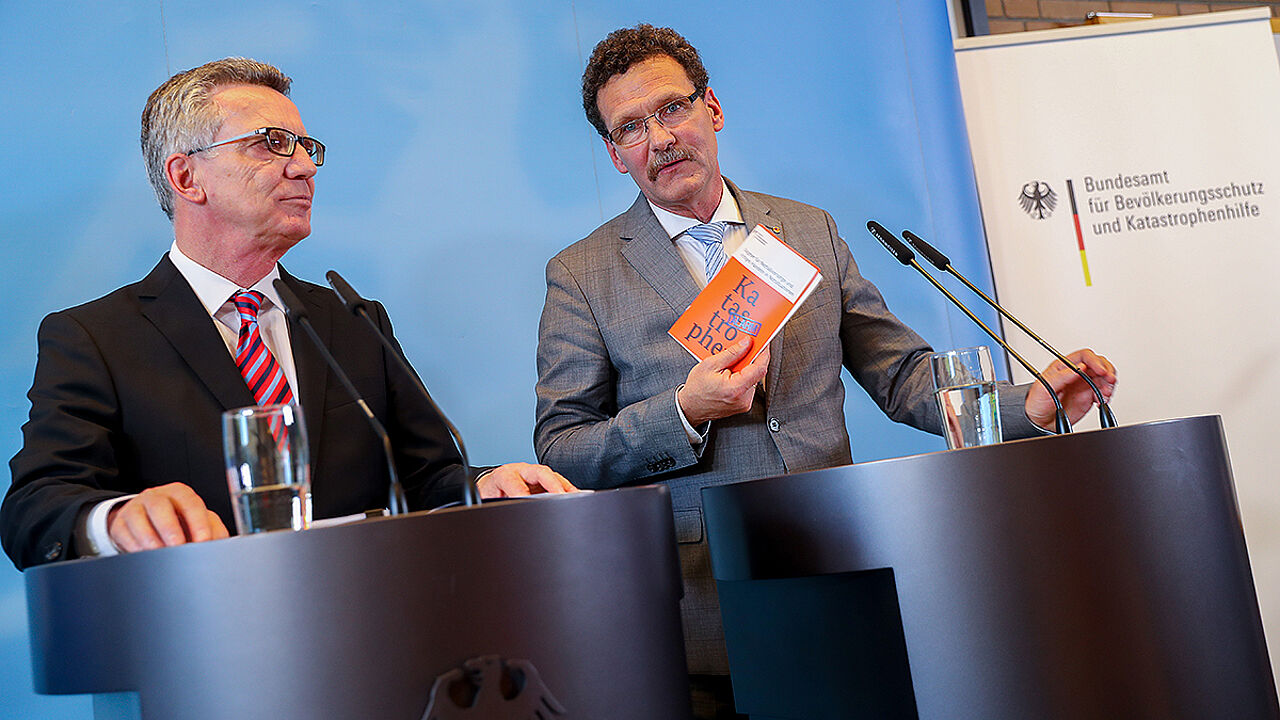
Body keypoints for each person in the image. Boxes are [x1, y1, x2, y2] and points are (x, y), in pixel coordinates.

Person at [534, 25, 1116, 718]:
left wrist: (1033, 406)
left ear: (711, 110)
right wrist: (684, 411)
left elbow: (901, 374)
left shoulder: (808, 231)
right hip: (700, 609)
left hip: (837, 572)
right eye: (630, 127)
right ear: (614, 154)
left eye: (670, 109)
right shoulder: (582, 273)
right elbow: (563, 445)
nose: (658, 137)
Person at [1, 57, 575, 571]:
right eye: (272, 143)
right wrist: (117, 518)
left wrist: (489, 485)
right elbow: (36, 508)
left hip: (377, 631)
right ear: (186, 177)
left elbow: (427, 478)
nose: (304, 167)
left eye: (307, 148)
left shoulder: (351, 321)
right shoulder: (96, 338)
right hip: (203, 648)